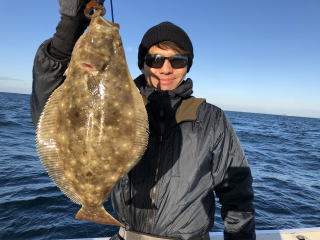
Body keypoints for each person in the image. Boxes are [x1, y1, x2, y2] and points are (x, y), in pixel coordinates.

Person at [31, 1, 256, 240]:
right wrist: (70, 24)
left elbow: (237, 193)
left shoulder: (211, 119)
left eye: (177, 60)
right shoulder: (125, 100)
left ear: (187, 66)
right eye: (155, 60)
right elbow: (48, 99)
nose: (166, 69)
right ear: (141, 63)